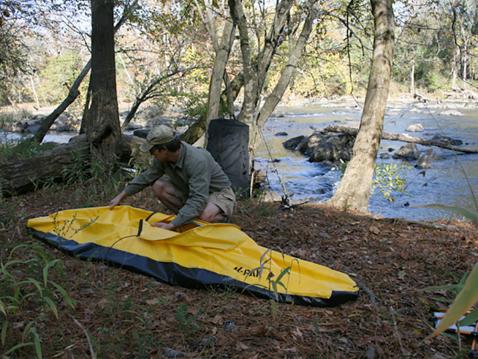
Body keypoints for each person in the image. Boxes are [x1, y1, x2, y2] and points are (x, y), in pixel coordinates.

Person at [109, 125, 236, 230]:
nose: (152, 155)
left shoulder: (196, 161)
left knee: (205, 216)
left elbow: (198, 198)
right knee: (159, 186)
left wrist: (172, 225)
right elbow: (147, 177)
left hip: (218, 194)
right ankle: (187, 219)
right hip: (192, 192)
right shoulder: (163, 158)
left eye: (152, 151)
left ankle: (217, 217)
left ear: (163, 149)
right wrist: (122, 195)